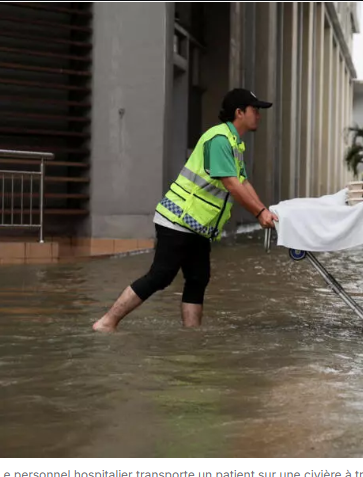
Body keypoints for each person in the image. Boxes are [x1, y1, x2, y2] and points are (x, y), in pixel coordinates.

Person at [93, 88, 279, 332]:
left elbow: (243, 182)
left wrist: (265, 210)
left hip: (198, 226)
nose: (259, 115)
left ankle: (191, 336)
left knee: (198, 278)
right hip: (179, 220)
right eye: (256, 110)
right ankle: (106, 323)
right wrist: (259, 213)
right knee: (161, 276)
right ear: (239, 112)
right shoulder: (220, 139)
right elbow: (232, 184)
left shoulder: (234, 143)